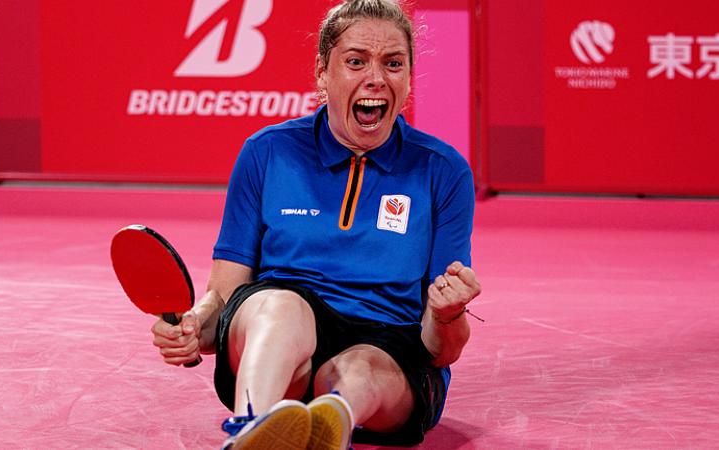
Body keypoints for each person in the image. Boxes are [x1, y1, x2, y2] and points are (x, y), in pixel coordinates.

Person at [150, 1, 482, 448]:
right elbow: (226, 297)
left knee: (357, 371)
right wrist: (195, 327)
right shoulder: (268, 152)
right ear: (323, 72)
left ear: (407, 78)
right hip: (280, 342)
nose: (376, 78)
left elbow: (444, 349)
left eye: (393, 64)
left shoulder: (443, 170)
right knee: (281, 309)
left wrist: (448, 312)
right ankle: (252, 430)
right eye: (356, 61)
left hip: (387, 347)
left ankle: (329, 431)